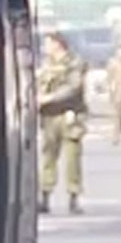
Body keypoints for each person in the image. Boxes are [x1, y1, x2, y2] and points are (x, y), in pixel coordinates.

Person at [37, 31, 87, 213]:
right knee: (48, 156)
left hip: (69, 115)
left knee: (72, 158)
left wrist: (49, 98)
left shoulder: (74, 63)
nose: (45, 48)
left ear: (58, 44)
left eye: (48, 43)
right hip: (50, 117)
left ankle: (74, 197)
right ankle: (45, 195)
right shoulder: (46, 64)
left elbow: (74, 87)